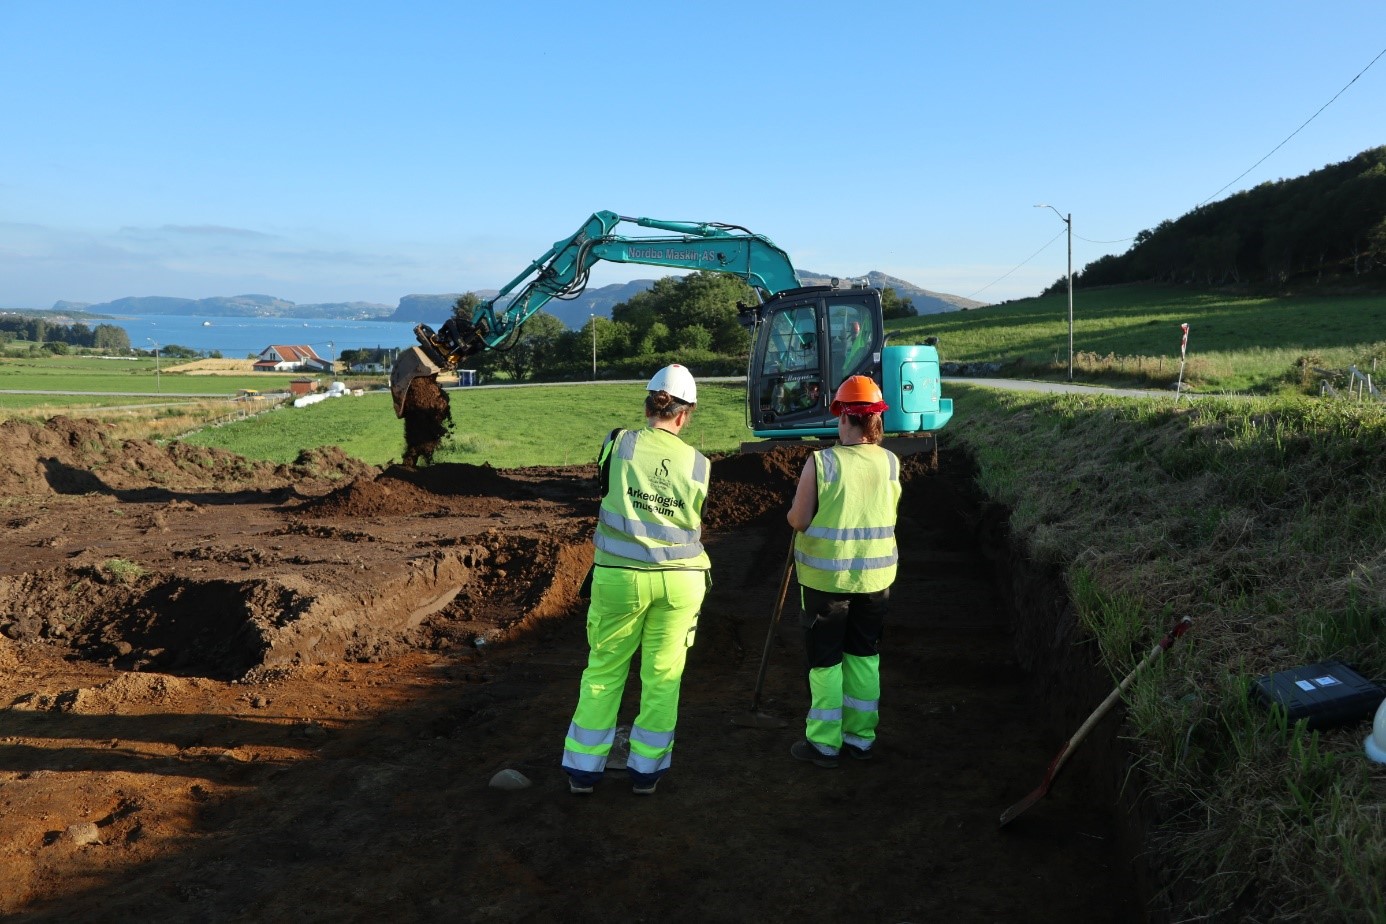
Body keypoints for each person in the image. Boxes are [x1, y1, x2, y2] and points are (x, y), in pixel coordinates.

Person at [561, 363, 712, 795]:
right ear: (685, 414)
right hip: (682, 581)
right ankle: (646, 774)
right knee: (663, 675)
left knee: (604, 670)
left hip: (620, 578)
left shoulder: (618, 442)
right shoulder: (701, 464)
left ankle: (583, 772)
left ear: (649, 405)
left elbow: (602, 483)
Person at [785, 375, 902, 768]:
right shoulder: (890, 462)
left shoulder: (822, 462)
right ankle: (861, 738)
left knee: (826, 661)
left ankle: (824, 744)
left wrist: (791, 514)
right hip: (876, 581)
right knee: (864, 656)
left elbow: (800, 520)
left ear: (843, 418)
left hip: (826, 582)